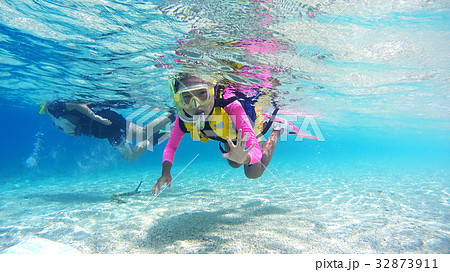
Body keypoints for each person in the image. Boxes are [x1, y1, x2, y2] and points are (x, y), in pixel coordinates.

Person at [152, 74, 289, 196]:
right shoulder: (183, 118)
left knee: (253, 173)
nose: (196, 104)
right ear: (179, 100)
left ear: (212, 92)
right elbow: (171, 147)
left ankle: (276, 130)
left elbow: (254, 151)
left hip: (248, 124)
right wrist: (165, 172)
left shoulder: (231, 106)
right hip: (227, 134)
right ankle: (236, 152)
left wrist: (246, 158)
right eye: (187, 97)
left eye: (202, 94)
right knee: (234, 164)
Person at [40, 100, 175, 161]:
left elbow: (78, 105)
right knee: (129, 157)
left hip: (106, 119)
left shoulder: (54, 107)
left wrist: (96, 117)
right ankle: (159, 136)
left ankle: (173, 115)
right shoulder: (54, 117)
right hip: (104, 132)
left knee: (142, 134)